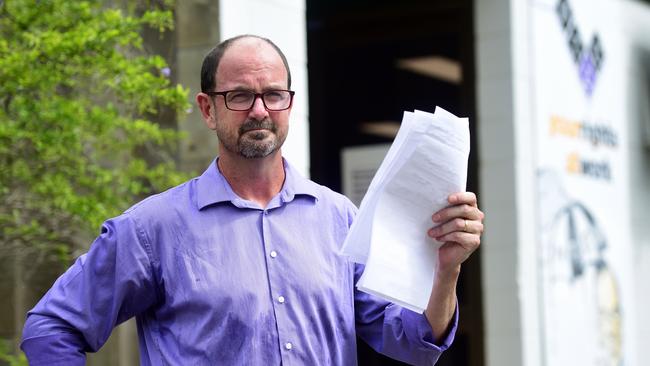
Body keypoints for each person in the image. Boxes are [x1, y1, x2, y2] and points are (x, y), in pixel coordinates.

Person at [21, 35, 484, 365]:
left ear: (289, 104)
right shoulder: (153, 229)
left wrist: (446, 270)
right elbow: (51, 328)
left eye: (273, 95)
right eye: (240, 96)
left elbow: (414, 343)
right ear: (208, 108)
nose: (259, 110)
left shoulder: (339, 218)